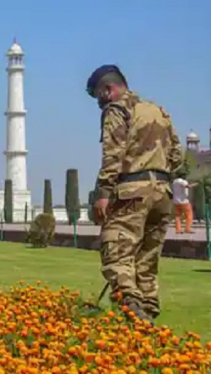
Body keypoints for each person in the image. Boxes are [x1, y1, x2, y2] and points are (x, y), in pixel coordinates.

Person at [87, 64, 183, 325]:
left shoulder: (117, 110)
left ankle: (132, 310)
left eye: (98, 95)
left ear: (109, 89)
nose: (99, 102)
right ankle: (148, 318)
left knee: (116, 251)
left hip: (131, 191)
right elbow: (177, 154)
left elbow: (112, 154)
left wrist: (104, 193)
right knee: (146, 259)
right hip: (162, 193)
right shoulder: (158, 111)